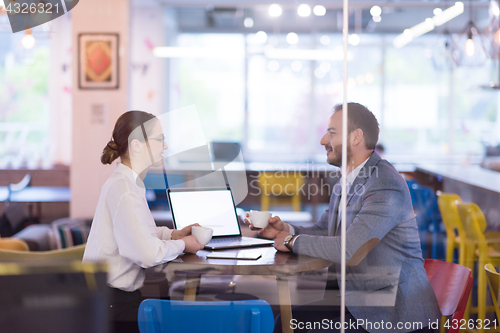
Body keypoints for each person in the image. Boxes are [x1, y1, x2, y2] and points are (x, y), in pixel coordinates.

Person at [246, 103, 440, 333]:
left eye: (332, 133)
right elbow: (325, 231)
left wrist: (290, 242)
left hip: (395, 315)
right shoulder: (346, 182)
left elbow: (351, 250)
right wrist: (285, 230)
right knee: (286, 322)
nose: (322, 140)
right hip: (358, 304)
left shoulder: (384, 183)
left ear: (356, 137)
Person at [83, 111, 204, 333]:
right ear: (137, 145)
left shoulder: (129, 184)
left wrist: (172, 235)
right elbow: (147, 254)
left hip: (110, 299)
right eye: (160, 139)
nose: (165, 146)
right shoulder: (124, 190)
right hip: (112, 304)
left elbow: (137, 232)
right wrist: (184, 245)